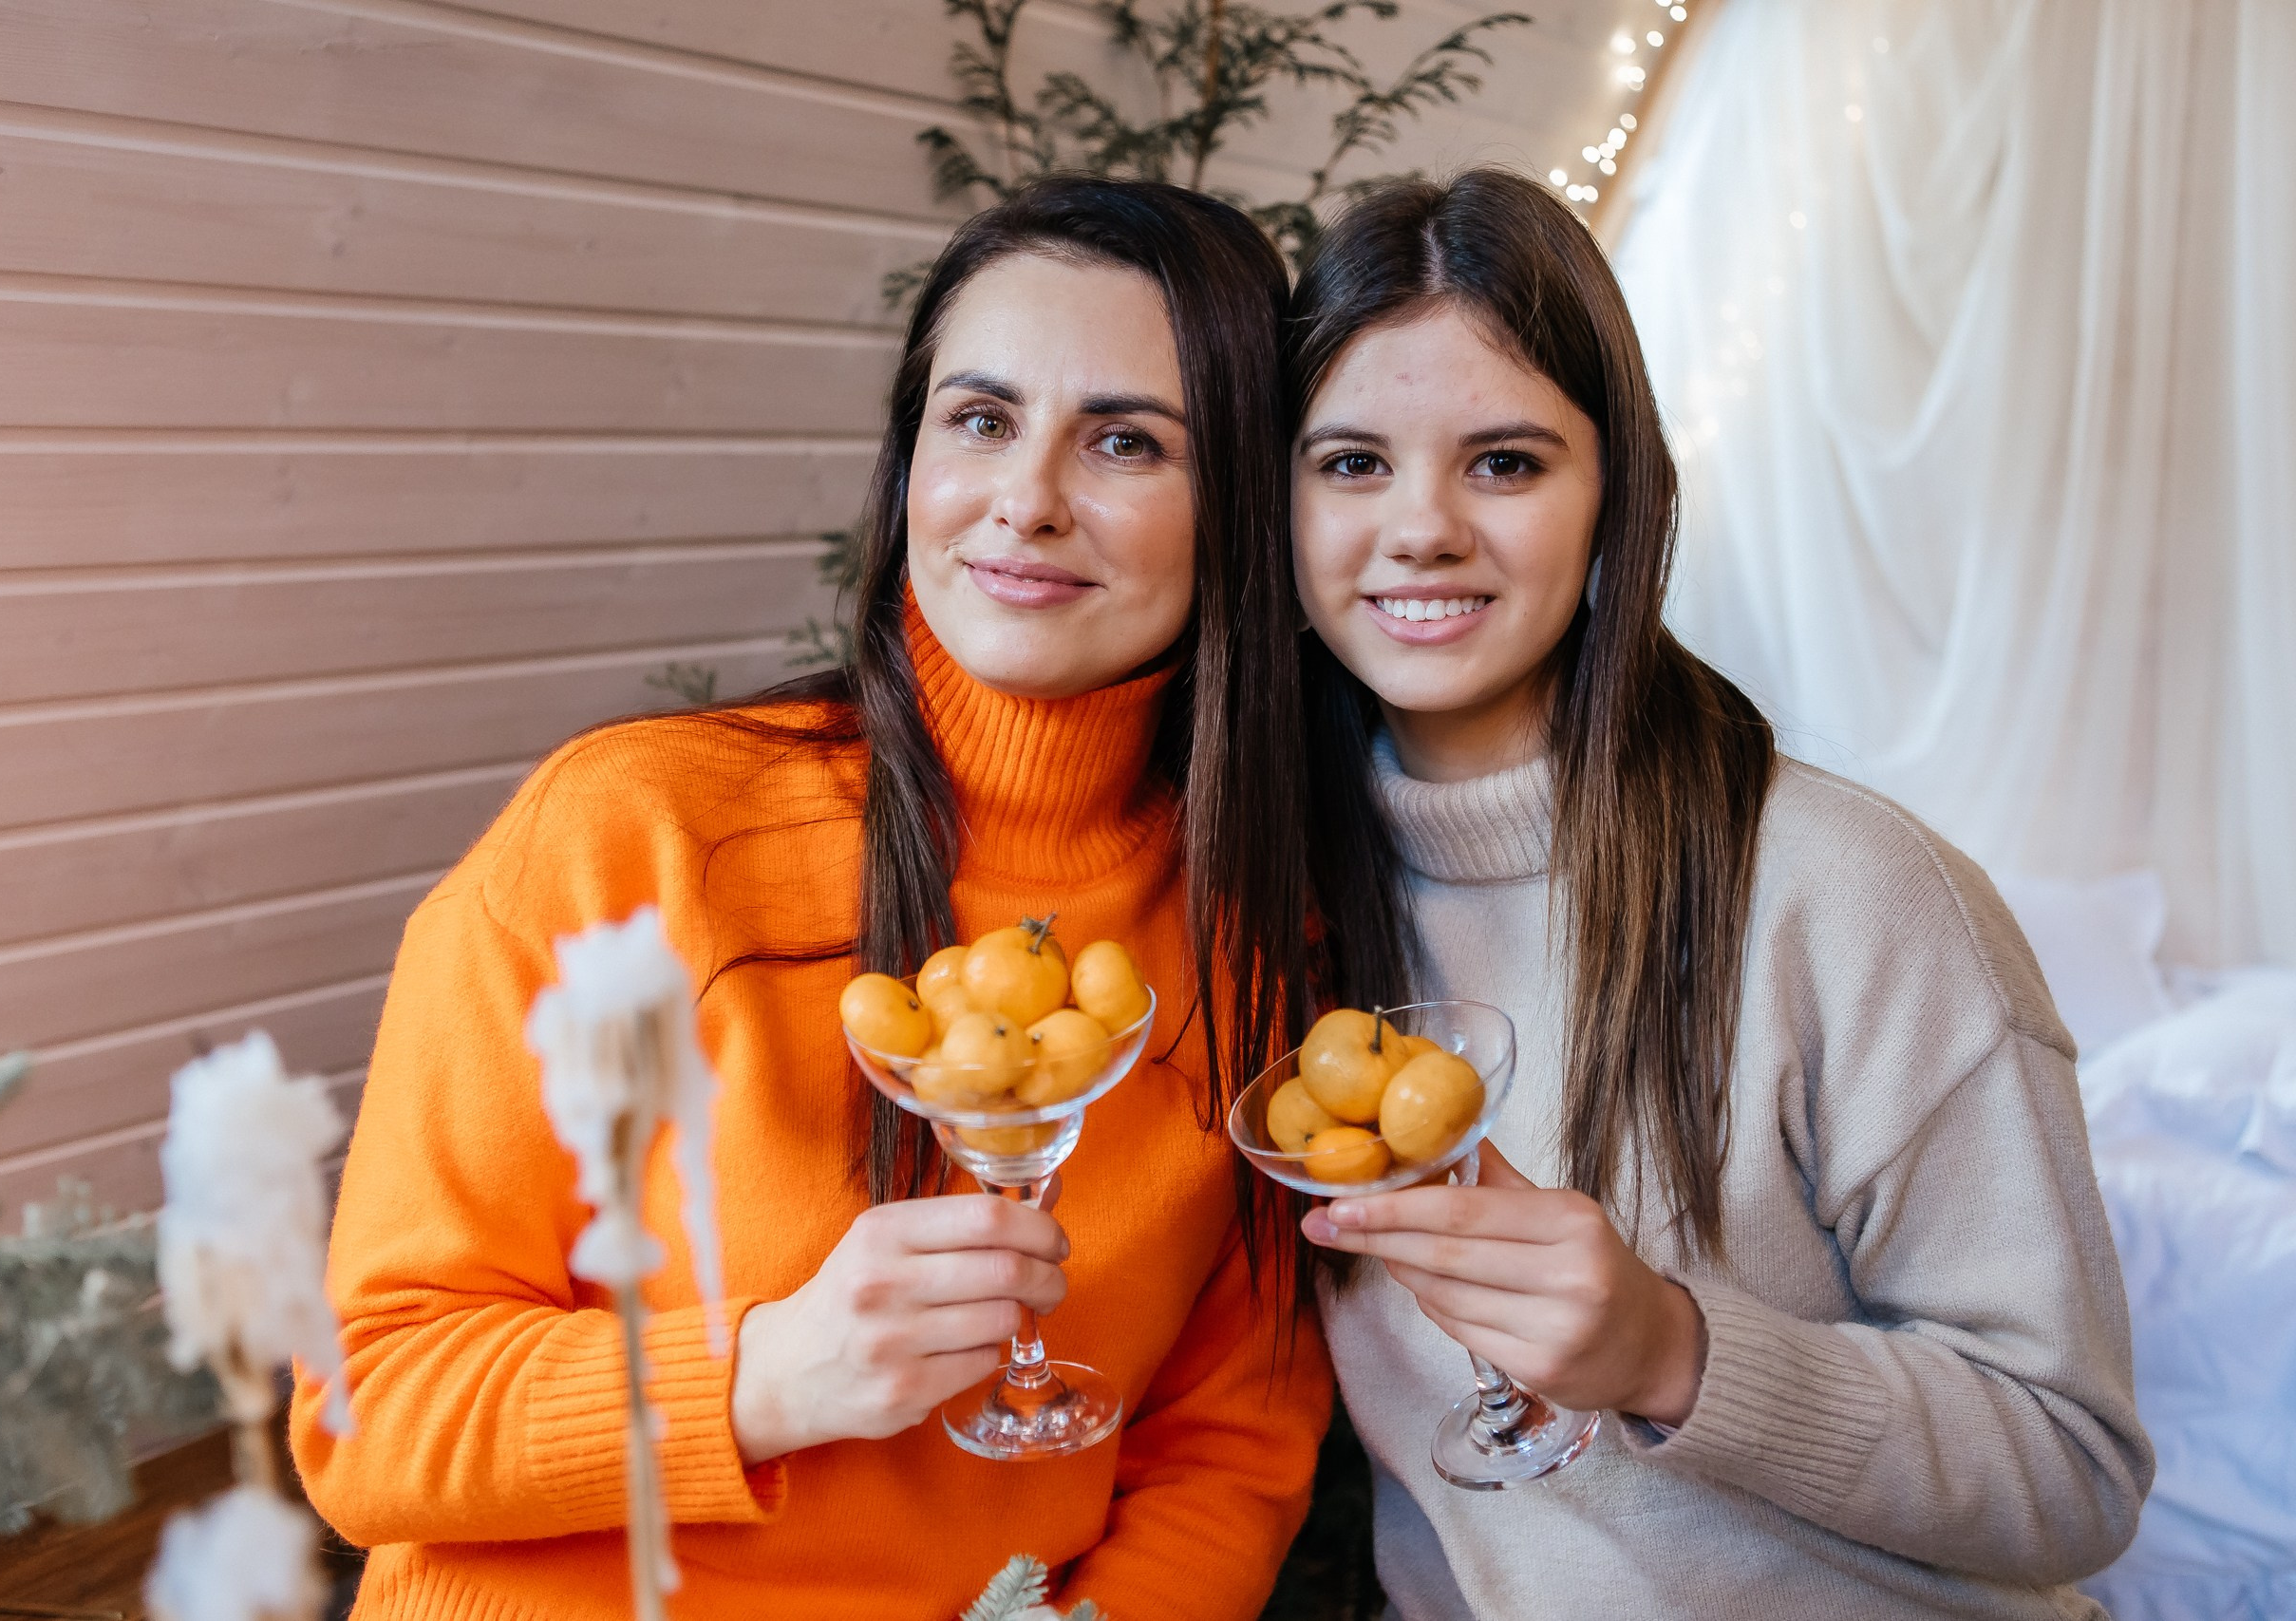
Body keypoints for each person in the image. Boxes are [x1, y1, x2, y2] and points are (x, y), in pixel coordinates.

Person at [291, 177, 1330, 1620]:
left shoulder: (1260, 943)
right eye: (981, 420)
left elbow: (1226, 1453)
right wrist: (766, 1376)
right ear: (910, 463)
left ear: (1242, 509)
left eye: (1125, 442)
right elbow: (368, 1408)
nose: (1026, 500)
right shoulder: (632, 830)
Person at [1285, 170, 2153, 1618]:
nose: (1422, 527)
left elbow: (2076, 1471)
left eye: (1506, 463)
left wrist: (1671, 1352)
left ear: (1615, 496)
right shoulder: (1277, 907)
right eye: (1353, 462)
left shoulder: (1849, 893)